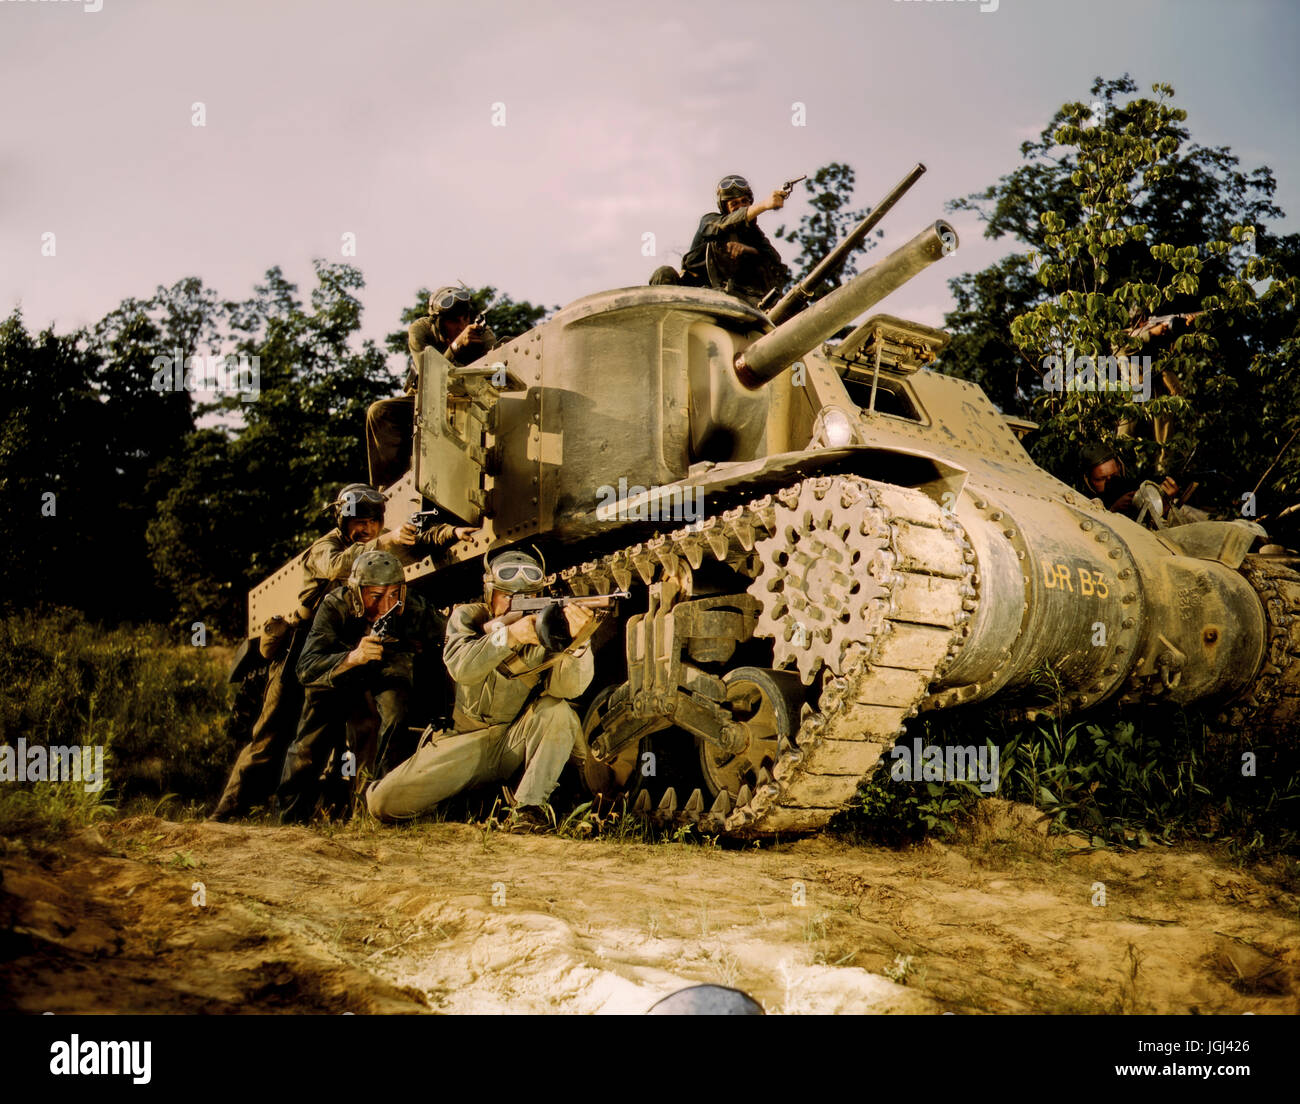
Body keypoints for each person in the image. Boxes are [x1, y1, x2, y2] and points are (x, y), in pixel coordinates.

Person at [210, 483, 473, 821]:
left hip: (352, 646)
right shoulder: (327, 547)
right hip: (304, 645)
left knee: (359, 729)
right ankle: (227, 815)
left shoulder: (377, 550)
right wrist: (386, 541)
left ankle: (351, 809)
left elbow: (419, 544)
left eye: (371, 522)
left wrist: (452, 532)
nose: (364, 529)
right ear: (342, 522)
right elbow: (337, 566)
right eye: (356, 523)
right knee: (273, 734)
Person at [365, 550, 604, 831]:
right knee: (382, 804)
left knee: (558, 712)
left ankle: (529, 809)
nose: (516, 604)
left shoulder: (546, 627)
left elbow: (569, 688)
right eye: (506, 596)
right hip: (462, 742)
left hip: (510, 740)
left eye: (528, 598)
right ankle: (457, 805)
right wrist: (511, 636)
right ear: (489, 594)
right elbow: (462, 667)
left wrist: (579, 645)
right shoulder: (466, 617)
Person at [276, 549, 446, 824]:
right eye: (376, 597)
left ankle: (379, 810)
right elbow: (306, 667)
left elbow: (448, 630)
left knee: (393, 718)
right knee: (310, 740)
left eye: (393, 595)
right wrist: (353, 657)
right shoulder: (334, 606)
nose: (384, 606)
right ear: (357, 593)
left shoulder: (412, 606)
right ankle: (291, 819)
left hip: (387, 667)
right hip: (337, 671)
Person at [366, 287, 498, 490]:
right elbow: (429, 375)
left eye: (465, 318)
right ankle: (388, 488)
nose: (462, 326)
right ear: (438, 321)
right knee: (380, 411)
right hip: (425, 398)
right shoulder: (421, 330)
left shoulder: (482, 334)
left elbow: (498, 367)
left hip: (467, 400)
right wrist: (455, 348)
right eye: (454, 321)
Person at [650, 175, 791, 308]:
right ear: (725, 209)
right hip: (693, 296)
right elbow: (723, 225)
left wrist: (749, 251)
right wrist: (765, 205)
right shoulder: (710, 222)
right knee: (664, 273)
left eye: (744, 201)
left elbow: (777, 268)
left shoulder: (757, 238)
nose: (741, 206)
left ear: (750, 202)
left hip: (742, 299)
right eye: (734, 204)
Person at [1078, 442, 1178, 516]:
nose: (1110, 482)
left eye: (1114, 475)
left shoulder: (1129, 485)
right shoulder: (1081, 502)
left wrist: (1165, 500)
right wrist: (1113, 510)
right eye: (1101, 479)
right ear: (1088, 481)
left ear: (1120, 468)